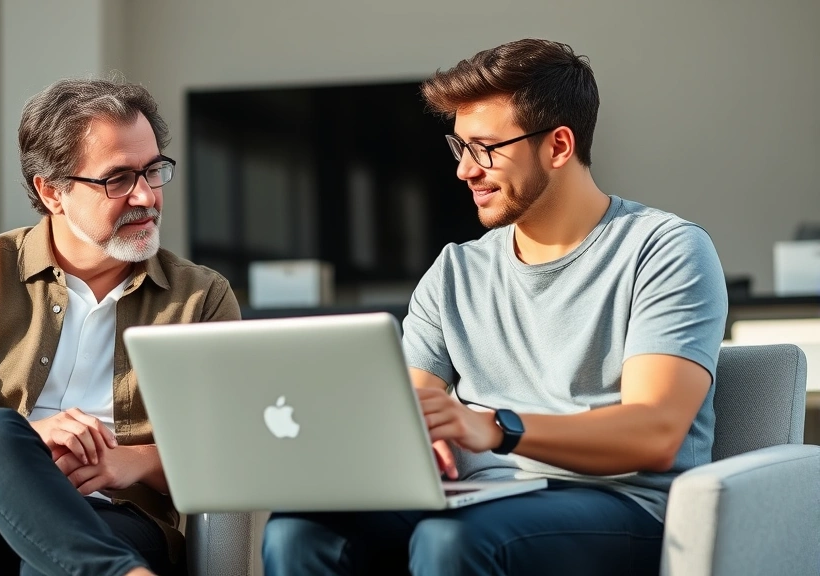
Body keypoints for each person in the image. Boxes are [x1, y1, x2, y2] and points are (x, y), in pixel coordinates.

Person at [262, 38, 727, 576]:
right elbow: (409, 410)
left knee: (451, 542)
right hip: (478, 498)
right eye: (460, 149)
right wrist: (409, 435)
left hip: (622, 507)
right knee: (300, 532)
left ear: (558, 146)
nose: (465, 171)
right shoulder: (456, 271)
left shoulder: (665, 249)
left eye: (485, 149)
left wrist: (495, 427)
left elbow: (655, 433)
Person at [0, 78, 240, 576]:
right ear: (52, 191)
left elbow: (233, 445)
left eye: (153, 171)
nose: (145, 195)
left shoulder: (201, 298)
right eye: (118, 178)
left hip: (114, 516)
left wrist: (135, 460)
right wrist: (25, 444)